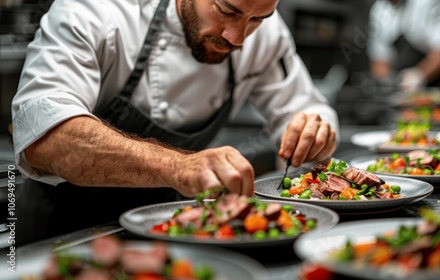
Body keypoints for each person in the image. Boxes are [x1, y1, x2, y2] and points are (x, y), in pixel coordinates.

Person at [11, 0, 339, 245]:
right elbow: (47, 135)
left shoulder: (264, 28)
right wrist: (177, 166)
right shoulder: (95, 10)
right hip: (66, 232)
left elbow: (303, 105)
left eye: (256, 19)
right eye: (226, 10)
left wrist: (314, 129)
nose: (238, 38)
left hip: (175, 230)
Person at [367, 0, 440, 92]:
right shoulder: (379, 9)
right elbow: (379, 59)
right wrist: (388, 81)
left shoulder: (426, 3)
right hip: (403, 90)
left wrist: (419, 75)